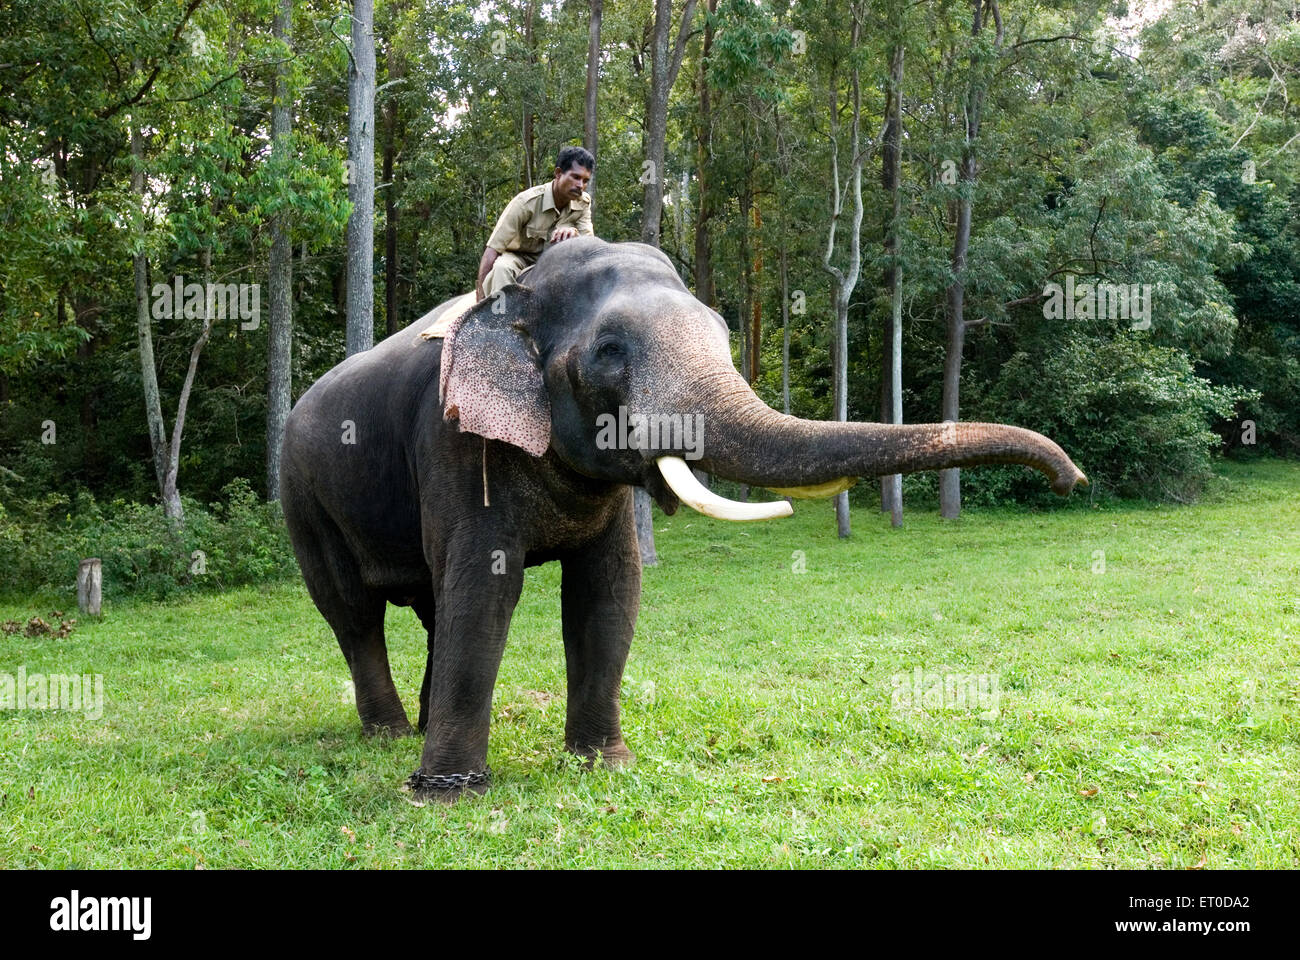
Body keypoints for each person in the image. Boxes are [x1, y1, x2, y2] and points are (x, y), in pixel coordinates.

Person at [476, 146, 595, 300]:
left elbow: (590, 248)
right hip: (518, 258)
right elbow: (493, 250)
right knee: (501, 268)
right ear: (558, 173)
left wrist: (575, 235)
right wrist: (480, 297)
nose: (580, 185)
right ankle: (500, 320)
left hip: (556, 259)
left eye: (585, 180)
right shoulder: (526, 202)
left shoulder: (583, 203)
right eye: (575, 177)